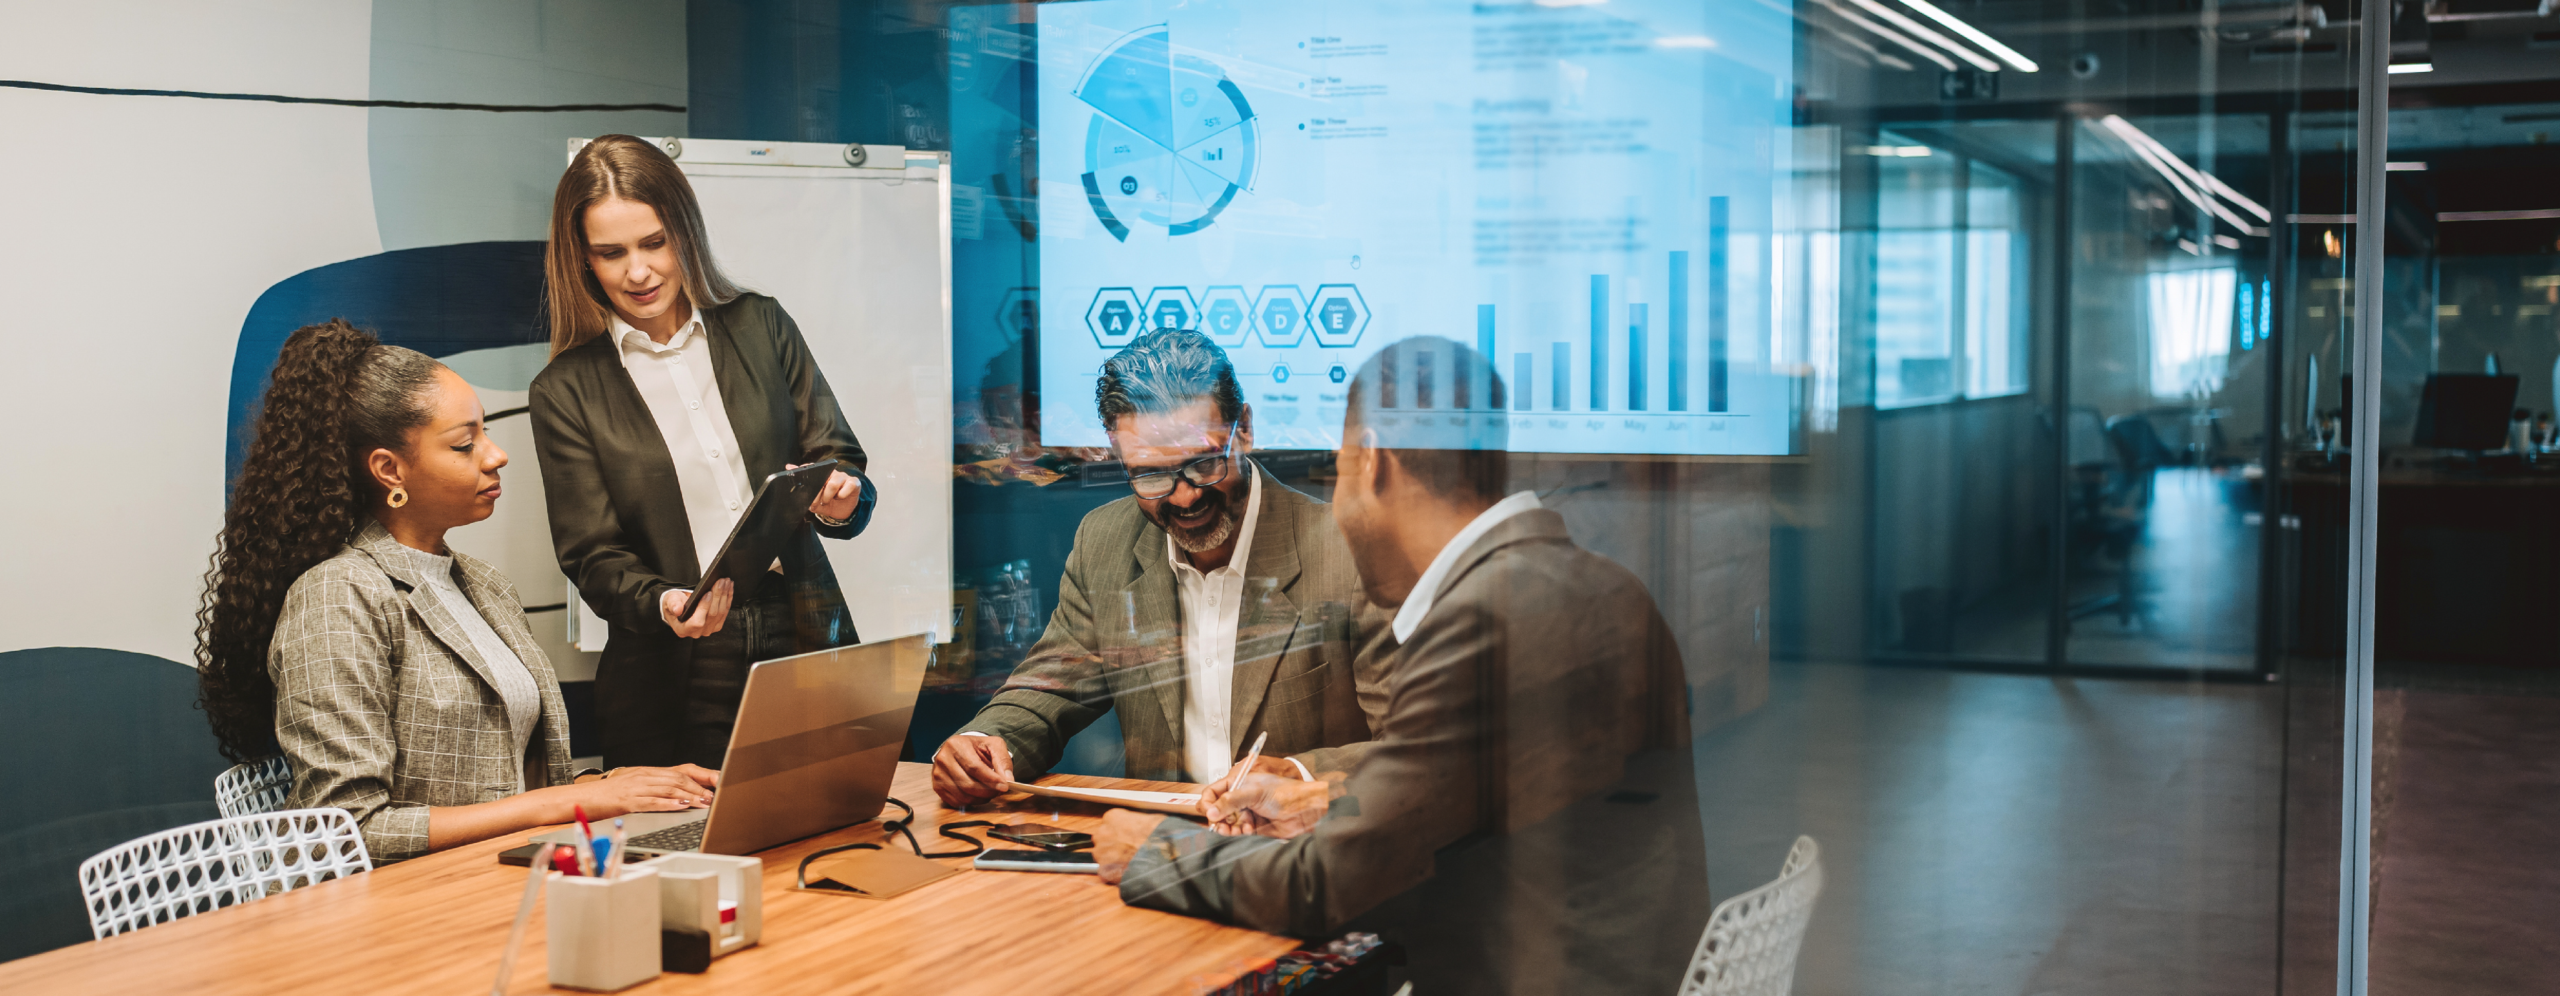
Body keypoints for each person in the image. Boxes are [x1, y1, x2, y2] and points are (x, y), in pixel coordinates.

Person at [1087, 337, 1710, 995]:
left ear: (1374, 463)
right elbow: (1480, 800)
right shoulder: (1603, 586)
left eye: (1339, 470)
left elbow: (1325, 886)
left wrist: (1154, 851)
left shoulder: (1484, 625)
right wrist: (1329, 803)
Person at [194, 321, 721, 862]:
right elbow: (350, 828)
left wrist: (618, 783)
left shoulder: (483, 586)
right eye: (465, 444)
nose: (496, 456)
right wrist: (572, 800)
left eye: (484, 434)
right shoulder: (336, 597)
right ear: (388, 469)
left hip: (514, 869)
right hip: (419, 904)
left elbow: (502, 776)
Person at [531, 134, 876, 770]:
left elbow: (839, 457)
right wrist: (663, 601)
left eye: (654, 243)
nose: (638, 272)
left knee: (834, 825)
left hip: (799, 627)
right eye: (611, 254)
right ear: (582, 260)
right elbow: (592, 555)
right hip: (671, 664)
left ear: (686, 232)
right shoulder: (566, 389)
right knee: (685, 848)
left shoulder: (760, 325)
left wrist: (838, 496)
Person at [931, 329, 1390, 805]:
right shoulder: (1104, 543)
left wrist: (1299, 775)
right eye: (1150, 473)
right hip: (1152, 850)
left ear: (1246, 429)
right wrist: (984, 743)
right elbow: (1047, 690)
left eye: (1205, 463)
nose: (1186, 495)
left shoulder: (1355, 551)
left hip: (1297, 856)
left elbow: (1419, 745)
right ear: (1118, 455)